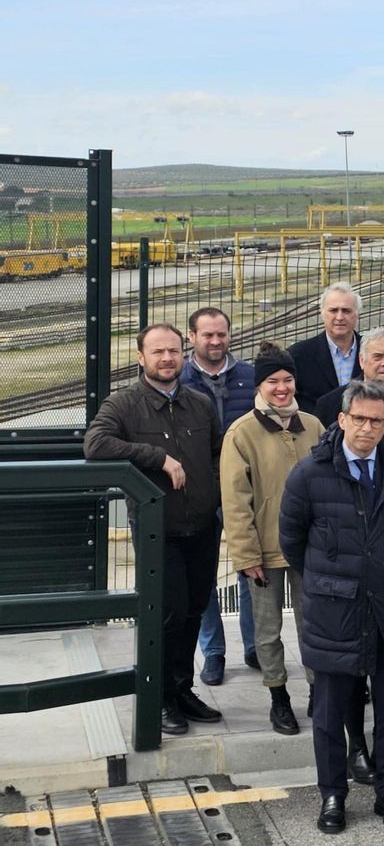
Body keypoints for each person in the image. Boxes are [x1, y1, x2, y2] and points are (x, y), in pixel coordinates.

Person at [280, 380, 384, 834]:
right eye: (358, 418)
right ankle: (332, 795)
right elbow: (292, 541)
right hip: (335, 612)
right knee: (328, 713)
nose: (366, 428)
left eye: (376, 420)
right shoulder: (310, 473)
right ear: (341, 420)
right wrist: (335, 579)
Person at [85, 323, 224, 736]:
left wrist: (216, 499)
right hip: (157, 531)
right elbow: (95, 445)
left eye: (174, 351)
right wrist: (157, 456)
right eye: (158, 351)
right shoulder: (124, 403)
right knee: (167, 616)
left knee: (195, 610)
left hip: (201, 527)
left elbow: (219, 456)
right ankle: (160, 697)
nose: (167, 358)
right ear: (140, 357)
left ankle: (183, 690)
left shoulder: (199, 403)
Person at [220, 343, 324, 736]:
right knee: (267, 629)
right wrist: (245, 554)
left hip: (310, 549)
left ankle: (319, 688)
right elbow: (235, 499)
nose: (281, 388)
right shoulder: (242, 433)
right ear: (260, 386)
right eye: (272, 381)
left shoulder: (313, 425)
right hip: (263, 549)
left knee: (313, 623)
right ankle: (278, 697)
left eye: (287, 380)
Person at [183, 307, 258, 687]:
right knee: (203, 574)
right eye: (207, 335)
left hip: (246, 488)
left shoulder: (250, 376)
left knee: (250, 565)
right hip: (197, 491)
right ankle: (213, 652)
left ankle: (255, 644)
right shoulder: (179, 379)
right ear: (191, 337)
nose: (215, 341)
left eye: (222, 334)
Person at [288, 282, 362, 406]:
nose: (339, 317)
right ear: (322, 313)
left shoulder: (372, 353)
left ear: (357, 314)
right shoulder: (298, 355)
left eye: (346, 311)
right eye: (333, 310)